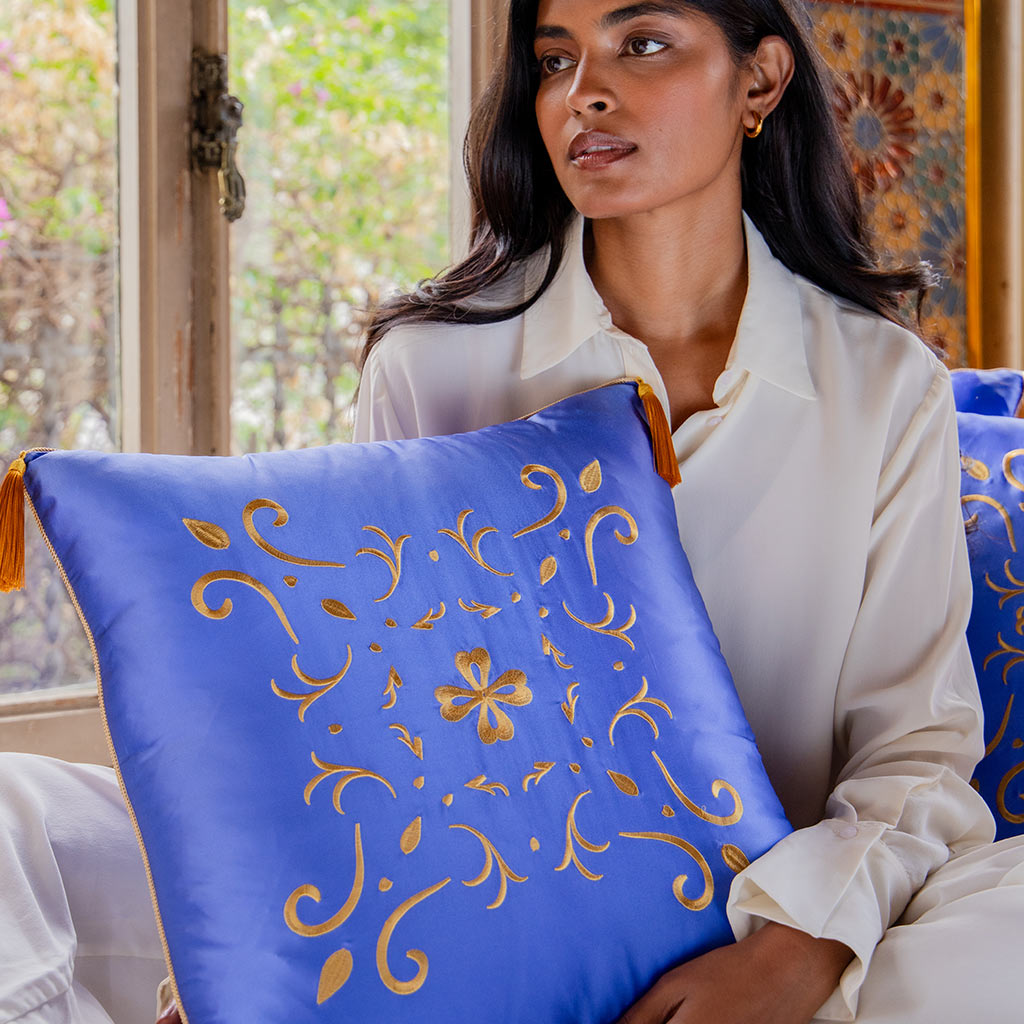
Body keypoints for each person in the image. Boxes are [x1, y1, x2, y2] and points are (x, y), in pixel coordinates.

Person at [1, 2, 1021, 1023]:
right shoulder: (433, 364)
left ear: (758, 82)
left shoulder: (885, 385)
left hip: (794, 916)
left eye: (643, 43)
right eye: (553, 58)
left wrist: (790, 956)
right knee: (14, 813)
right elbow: (372, 713)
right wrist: (273, 934)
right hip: (483, 905)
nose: (585, 91)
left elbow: (916, 754)